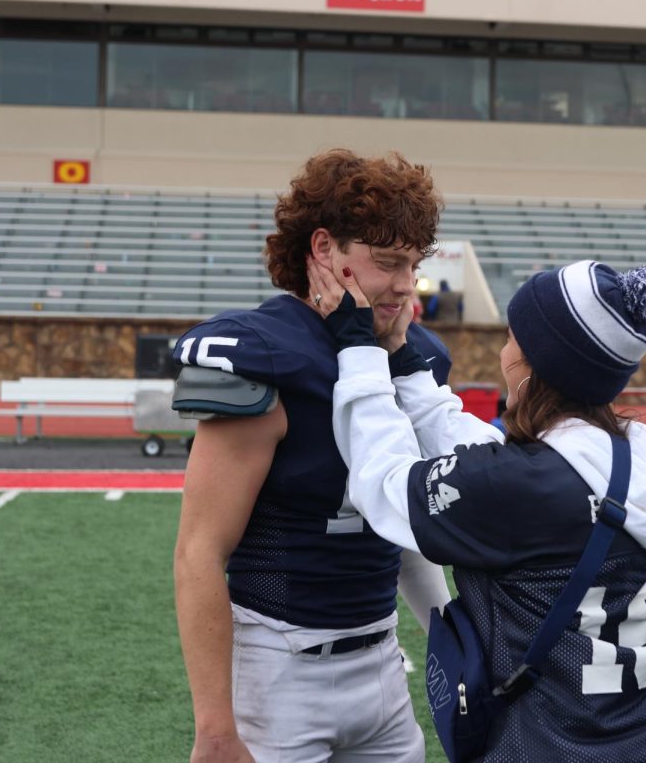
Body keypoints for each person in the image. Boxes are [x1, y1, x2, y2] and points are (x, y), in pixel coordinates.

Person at [309, 258, 646, 761]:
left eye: (513, 340)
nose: (504, 353)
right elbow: (484, 453)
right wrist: (399, 355)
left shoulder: (522, 482)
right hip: (645, 736)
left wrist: (359, 351)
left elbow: (386, 485)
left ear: (537, 364)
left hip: (544, 746)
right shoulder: (640, 450)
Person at [171, 149, 454, 763]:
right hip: (281, 670)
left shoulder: (406, 358)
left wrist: (453, 642)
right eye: (387, 263)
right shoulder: (268, 359)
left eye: (412, 264)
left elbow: (399, 519)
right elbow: (199, 552)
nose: (406, 284)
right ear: (324, 250)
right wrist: (216, 728)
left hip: (383, 661)